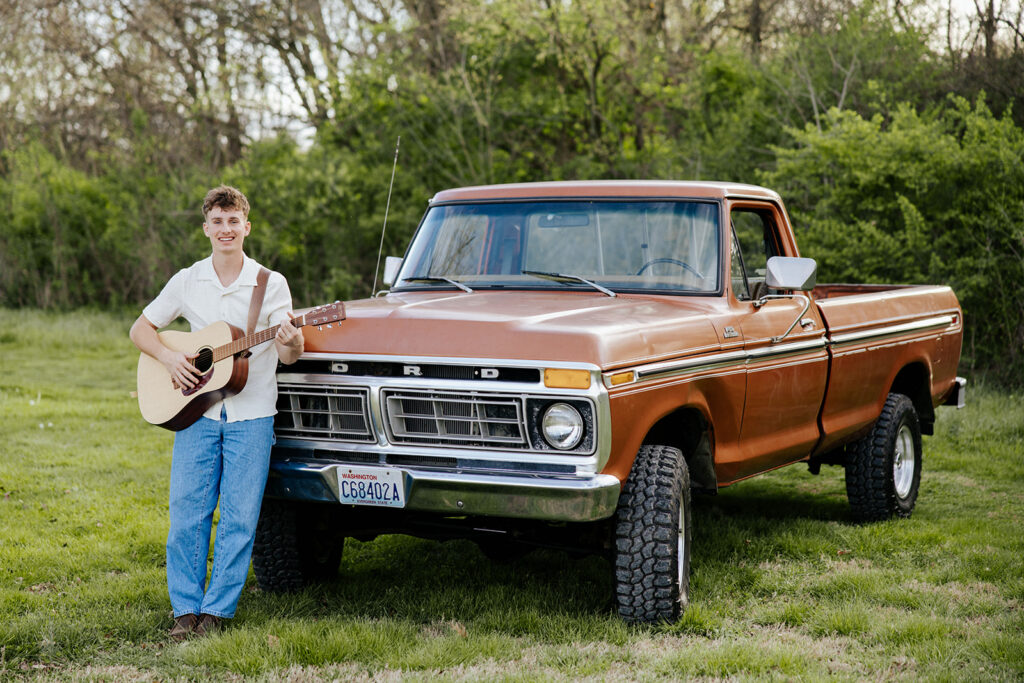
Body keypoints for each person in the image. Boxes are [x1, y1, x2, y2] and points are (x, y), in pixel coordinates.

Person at [129, 185, 303, 640]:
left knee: (240, 518)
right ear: (206, 228)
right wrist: (170, 358)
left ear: (247, 227)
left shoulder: (271, 283)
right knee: (188, 513)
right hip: (197, 412)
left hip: (253, 413)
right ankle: (185, 609)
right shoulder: (188, 280)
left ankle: (217, 612)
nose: (226, 229)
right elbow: (140, 329)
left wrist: (292, 340)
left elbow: (289, 356)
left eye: (233, 221)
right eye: (218, 221)